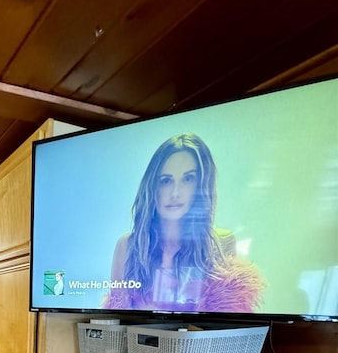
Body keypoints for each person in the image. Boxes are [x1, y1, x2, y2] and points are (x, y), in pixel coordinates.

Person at [104, 133, 265, 312]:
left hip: (197, 340)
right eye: (166, 181)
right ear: (152, 187)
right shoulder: (128, 246)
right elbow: (116, 322)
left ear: (201, 184)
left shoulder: (221, 242)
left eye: (188, 179)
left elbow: (224, 322)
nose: (175, 192)